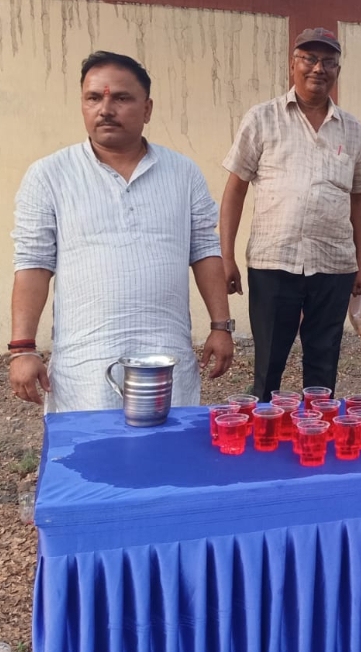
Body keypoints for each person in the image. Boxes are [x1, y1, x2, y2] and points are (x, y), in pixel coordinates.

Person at [9, 51, 234, 412]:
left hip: (166, 357)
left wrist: (221, 326)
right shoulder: (49, 175)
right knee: (90, 446)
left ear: (147, 109)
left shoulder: (183, 173)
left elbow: (205, 251)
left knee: (166, 444)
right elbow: (34, 263)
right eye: (93, 98)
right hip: (84, 364)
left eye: (121, 98)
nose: (105, 109)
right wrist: (23, 348)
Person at [220, 27, 361, 402]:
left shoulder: (353, 129)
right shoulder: (262, 118)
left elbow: (358, 199)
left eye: (328, 61)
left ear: (337, 70)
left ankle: (317, 430)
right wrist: (226, 257)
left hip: (334, 265)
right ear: (293, 65)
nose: (318, 68)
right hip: (274, 261)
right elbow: (235, 189)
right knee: (269, 364)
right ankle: (265, 429)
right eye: (309, 59)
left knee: (323, 363)